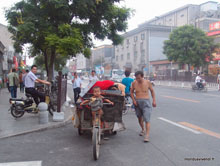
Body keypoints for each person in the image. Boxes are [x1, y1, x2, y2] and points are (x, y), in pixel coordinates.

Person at [130, 71, 156, 142]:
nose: (137, 80)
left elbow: (152, 91)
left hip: (146, 102)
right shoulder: (134, 83)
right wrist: (134, 100)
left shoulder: (147, 82)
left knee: (147, 119)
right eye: (136, 78)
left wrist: (154, 100)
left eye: (139, 78)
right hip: (137, 102)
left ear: (142, 76)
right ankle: (143, 129)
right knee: (139, 117)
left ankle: (147, 135)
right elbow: (131, 92)